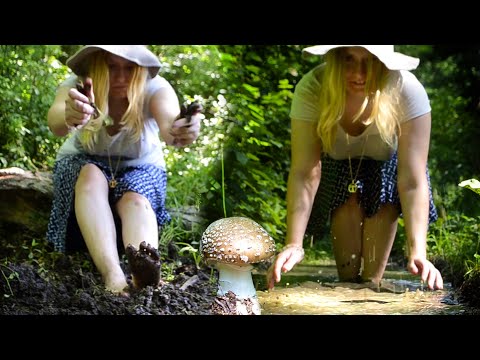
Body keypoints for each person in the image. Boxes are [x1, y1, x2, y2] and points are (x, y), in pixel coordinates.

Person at [267, 45, 443, 291]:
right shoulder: (312, 87)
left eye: (370, 60)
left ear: (383, 62)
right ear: (335, 58)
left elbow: (412, 179)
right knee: (347, 280)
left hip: (388, 171)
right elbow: (305, 172)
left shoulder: (407, 89)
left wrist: (418, 252)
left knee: (371, 282)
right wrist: (294, 243)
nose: (359, 73)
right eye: (349, 59)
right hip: (337, 167)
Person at [46, 45, 201, 295]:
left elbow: (171, 128)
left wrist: (184, 129)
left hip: (141, 166)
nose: (120, 78)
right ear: (96, 64)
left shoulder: (156, 88)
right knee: (90, 176)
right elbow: (55, 122)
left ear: (141, 69)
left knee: (136, 200)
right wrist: (70, 114)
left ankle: (146, 273)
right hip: (82, 162)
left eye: (129, 68)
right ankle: (113, 275)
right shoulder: (77, 86)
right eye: (111, 67)